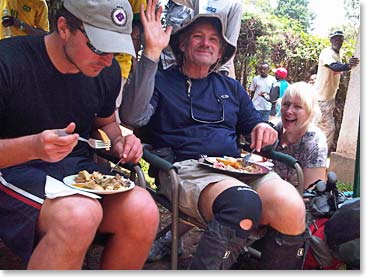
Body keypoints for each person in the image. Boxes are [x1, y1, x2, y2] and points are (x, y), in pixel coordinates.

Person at [120, 0, 306, 270]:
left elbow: (256, 127)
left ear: (220, 51)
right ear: (182, 44)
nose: (206, 43)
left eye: (213, 40)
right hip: (185, 170)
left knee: (292, 206)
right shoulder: (162, 80)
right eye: (198, 36)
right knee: (241, 204)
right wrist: (150, 53)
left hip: (239, 168)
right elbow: (132, 117)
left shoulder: (230, 86)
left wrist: (265, 131)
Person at [0, 0, 159, 270]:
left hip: (74, 171)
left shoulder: (105, 70)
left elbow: (107, 125)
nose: (108, 60)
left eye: (115, 48)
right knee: (80, 214)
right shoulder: (8, 61)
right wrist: (34, 147)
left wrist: (120, 142)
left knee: (143, 209)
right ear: (63, 27)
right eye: (98, 46)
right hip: (12, 169)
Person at [272, 82, 328, 189]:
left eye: (297, 107)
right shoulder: (274, 130)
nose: (289, 111)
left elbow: (311, 194)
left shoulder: (315, 143)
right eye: (286, 104)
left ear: (310, 112)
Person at [168, 0, 243, 78]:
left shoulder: (234, 5)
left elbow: (231, 39)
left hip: (217, 62)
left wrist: (223, 71)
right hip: (194, 60)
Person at [314, 30, 359, 150]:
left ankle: (313, 152)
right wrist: (348, 66)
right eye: (335, 39)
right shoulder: (327, 53)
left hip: (328, 99)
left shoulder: (337, 54)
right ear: (331, 40)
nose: (338, 41)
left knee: (317, 127)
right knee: (328, 128)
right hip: (321, 98)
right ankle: (320, 154)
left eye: (340, 39)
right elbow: (333, 66)